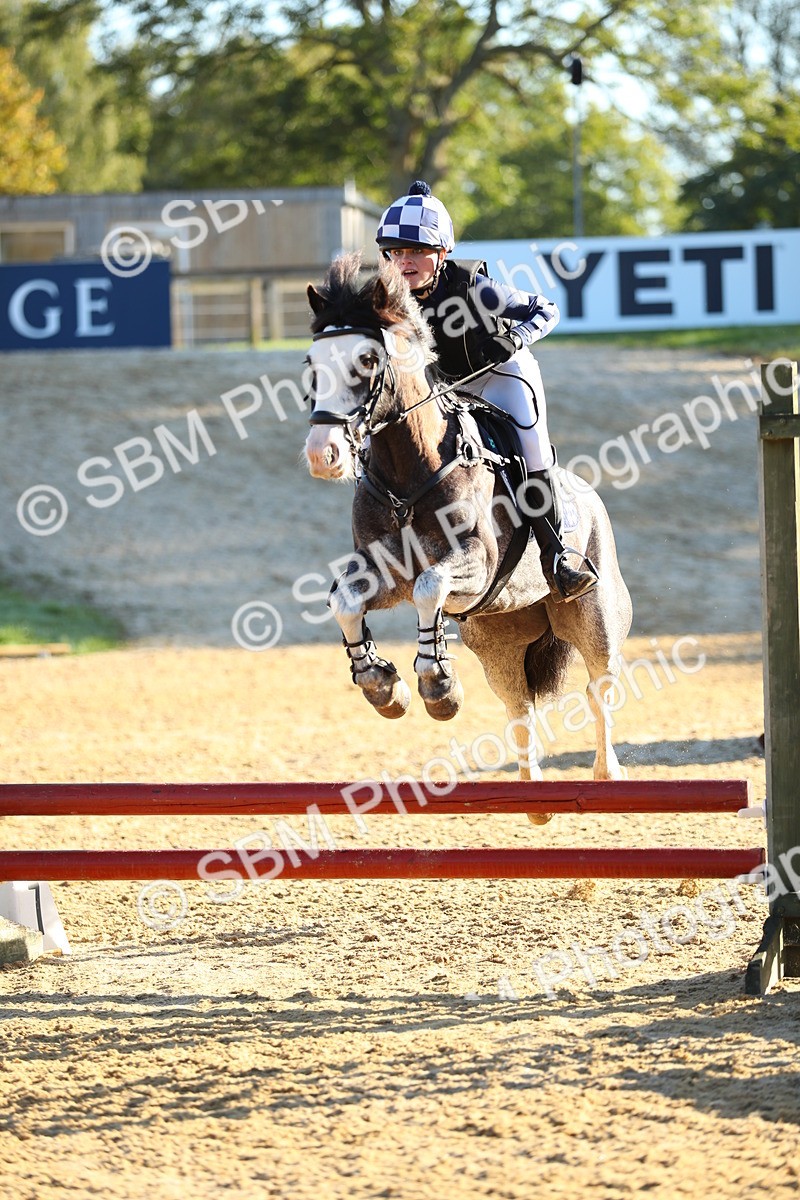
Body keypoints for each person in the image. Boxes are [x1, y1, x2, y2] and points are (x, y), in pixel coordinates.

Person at [376, 179, 598, 602]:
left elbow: (546, 309)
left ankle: (558, 559)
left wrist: (513, 339)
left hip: (502, 377)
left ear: (441, 254)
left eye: (416, 251)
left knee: (531, 451)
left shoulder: (472, 287)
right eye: (395, 252)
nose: (404, 262)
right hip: (447, 392)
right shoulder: (388, 299)